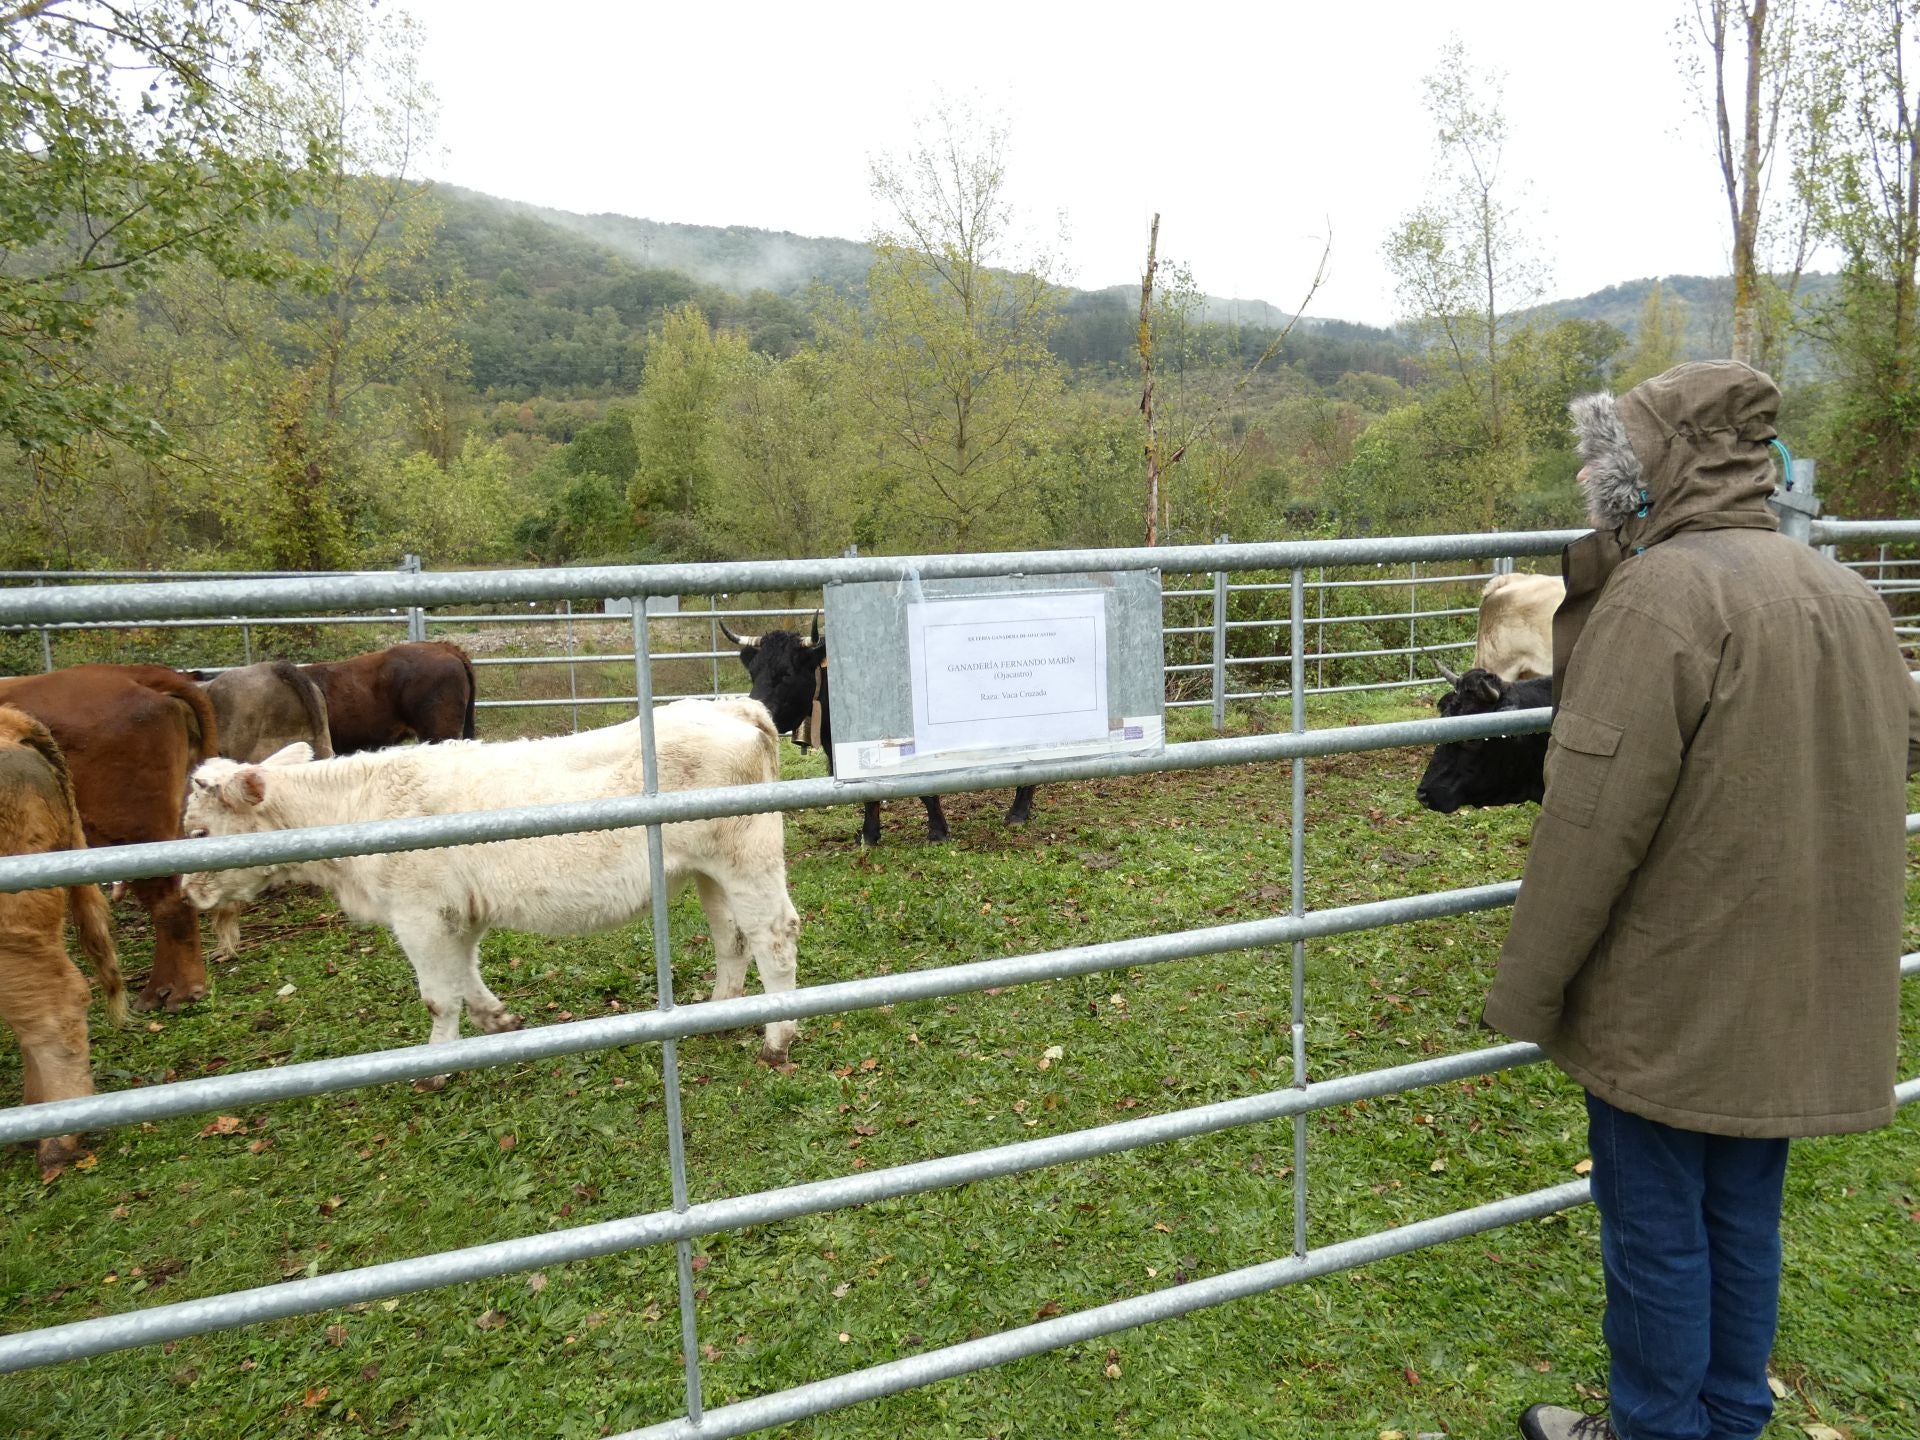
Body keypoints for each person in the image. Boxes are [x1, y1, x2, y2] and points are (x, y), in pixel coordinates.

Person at [1481, 360, 1920, 1440]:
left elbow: (1593, 822)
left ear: (1646, 468)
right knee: (1742, 1215)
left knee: (1654, 1233)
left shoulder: (1663, 597)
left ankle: (1653, 1431)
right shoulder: (1844, 592)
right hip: (1796, 981)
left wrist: (1527, 991)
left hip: (1670, 995)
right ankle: (1729, 1423)